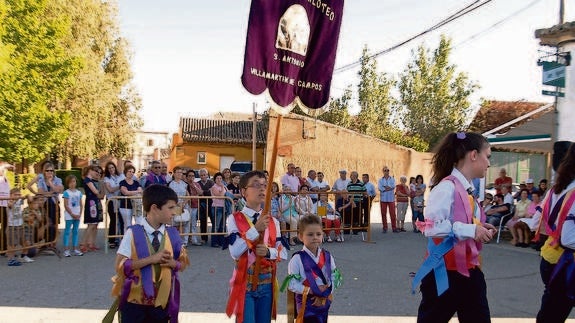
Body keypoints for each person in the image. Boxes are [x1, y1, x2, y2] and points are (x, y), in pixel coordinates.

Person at [412, 131, 496, 323]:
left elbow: (460, 222)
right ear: (473, 155)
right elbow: (430, 228)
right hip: (444, 273)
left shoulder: (467, 189)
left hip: (470, 272)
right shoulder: (446, 187)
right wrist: (470, 230)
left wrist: (480, 227)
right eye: (487, 156)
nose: (489, 163)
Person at [108, 184, 189, 323]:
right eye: (170, 208)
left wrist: (173, 263)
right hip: (134, 302)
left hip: (161, 302)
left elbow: (182, 264)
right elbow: (119, 266)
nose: (174, 212)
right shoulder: (133, 233)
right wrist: (152, 259)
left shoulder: (173, 234)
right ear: (154, 208)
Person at [225, 171, 288, 323]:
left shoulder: (273, 222)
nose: (261, 189)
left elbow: (283, 253)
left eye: (264, 186)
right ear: (243, 191)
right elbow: (235, 252)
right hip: (245, 283)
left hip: (267, 283)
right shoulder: (234, 219)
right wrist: (255, 229)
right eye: (255, 185)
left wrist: (268, 252)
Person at [536, 142, 575, 322]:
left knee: (551, 310)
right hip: (566, 263)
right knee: (554, 312)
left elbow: (537, 221)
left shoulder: (556, 188)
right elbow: (568, 238)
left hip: (550, 256)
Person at [282, 215, 342, 323]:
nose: (315, 237)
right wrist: (311, 291)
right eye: (310, 234)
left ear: (322, 235)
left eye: (318, 234)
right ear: (300, 236)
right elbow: (291, 284)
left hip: (324, 300)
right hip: (306, 303)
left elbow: (335, 277)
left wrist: (326, 291)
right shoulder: (297, 259)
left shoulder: (327, 256)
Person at [26, 161, 63, 248]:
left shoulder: (58, 180)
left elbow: (59, 190)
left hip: (54, 204)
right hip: (44, 204)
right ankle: (45, 242)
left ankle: (52, 244)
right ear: (44, 171)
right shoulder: (41, 179)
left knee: (54, 224)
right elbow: (41, 192)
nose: (49, 172)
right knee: (44, 223)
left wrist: (50, 183)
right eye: (47, 170)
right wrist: (38, 193)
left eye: (51, 171)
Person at [80, 165, 104, 252]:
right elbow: (96, 191)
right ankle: (83, 243)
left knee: (96, 224)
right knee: (91, 224)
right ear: (90, 170)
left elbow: (101, 194)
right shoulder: (87, 180)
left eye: (99, 172)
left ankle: (91, 243)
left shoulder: (94, 180)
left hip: (96, 202)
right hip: (91, 203)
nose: (98, 173)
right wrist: (100, 186)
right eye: (96, 171)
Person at [5, 188, 30, 266]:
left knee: (26, 242)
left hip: (20, 225)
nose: (17, 196)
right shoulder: (9, 201)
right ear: (10, 195)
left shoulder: (19, 200)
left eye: (19, 194)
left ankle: (23, 256)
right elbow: (10, 205)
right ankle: (11, 260)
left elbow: (26, 196)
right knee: (12, 245)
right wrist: (14, 200)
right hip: (12, 226)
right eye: (15, 195)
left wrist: (28, 196)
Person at [62, 176, 84, 257]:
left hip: (77, 214)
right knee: (67, 231)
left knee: (75, 231)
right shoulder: (66, 193)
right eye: (70, 182)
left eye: (74, 182)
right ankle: (66, 249)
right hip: (69, 215)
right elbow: (66, 205)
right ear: (68, 183)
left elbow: (81, 204)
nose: (72, 184)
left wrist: (80, 214)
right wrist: (72, 214)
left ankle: (75, 248)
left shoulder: (79, 193)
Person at [168, 166, 190, 247]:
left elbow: (188, 195)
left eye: (181, 172)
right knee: (176, 223)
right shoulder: (171, 184)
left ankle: (184, 241)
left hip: (184, 206)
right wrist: (177, 204)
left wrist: (183, 204)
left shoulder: (184, 184)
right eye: (178, 172)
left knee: (184, 223)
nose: (180, 174)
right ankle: (176, 240)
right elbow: (170, 195)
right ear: (174, 173)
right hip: (175, 206)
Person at [119, 165, 144, 232]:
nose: (131, 173)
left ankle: (137, 239)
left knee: (139, 223)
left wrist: (132, 192)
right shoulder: (122, 182)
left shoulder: (136, 182)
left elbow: (141, 191)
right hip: (125, 206)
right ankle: (127, 241)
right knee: (128, 225)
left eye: (132, 172)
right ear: (125, 172)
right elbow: (125, 192)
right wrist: (136, 192)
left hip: (136, 206)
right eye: (129, 171)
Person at [103, 161, 122, 249]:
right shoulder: (107, 178)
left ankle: (120, 238)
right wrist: (120, 186)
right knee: (113, 219)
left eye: (112, 167)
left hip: (120, 200)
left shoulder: (120, 176)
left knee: (121, 220)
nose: (111, 170)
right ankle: (111, 240)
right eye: (109, 168)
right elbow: (110, 189)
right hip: (111, 200)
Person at [185, 170, 203, 246]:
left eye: (193, 176)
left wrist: (194, 186)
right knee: (186, 224)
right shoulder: (184, 184)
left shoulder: (196, 184)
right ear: (186, 177)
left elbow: (201, 193)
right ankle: (185, 241)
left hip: (194, 206)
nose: (191, 178)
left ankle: (194, 240)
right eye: (189, 176)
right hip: (186, 206)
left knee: (193, 224)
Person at [210, 172, 227, 248]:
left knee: (222, 225)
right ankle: (214, 242)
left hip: (224, 207)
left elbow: (228, 194)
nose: (219, 180)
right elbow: (220, 196)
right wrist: (223, 188)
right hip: (217, 207)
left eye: (220, 178)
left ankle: (221, 241)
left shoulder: (224, 186)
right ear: (215, 179)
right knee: (216, 225)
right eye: (217, 178)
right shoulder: (214, 187)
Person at [197, 168, 214, 245]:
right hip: (201, 205)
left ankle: (214, 238)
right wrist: (207, 192)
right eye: (201, 175)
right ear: (199, 176)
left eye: (204, 175)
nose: (203, 176)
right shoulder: (197, 183)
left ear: (207, 175)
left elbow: (212, 192)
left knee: (214, 221)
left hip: (211, 204)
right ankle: (204, 238)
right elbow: (198, 193)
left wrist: (203, 192)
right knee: (203, 222)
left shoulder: (212, 183)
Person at [378, 166, 397, 233]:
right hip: (383, 199)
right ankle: (385, 227)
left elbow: (393, 186)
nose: (386, 172)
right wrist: (387, 188)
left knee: (393, 214)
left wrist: (385, 188)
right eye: (385, 170)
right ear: (383, 171)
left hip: (391, 199)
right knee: (383, 214)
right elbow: (380, 188)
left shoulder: (392, 179)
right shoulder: (380, 180)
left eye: (387, 170)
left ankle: (394, 227)